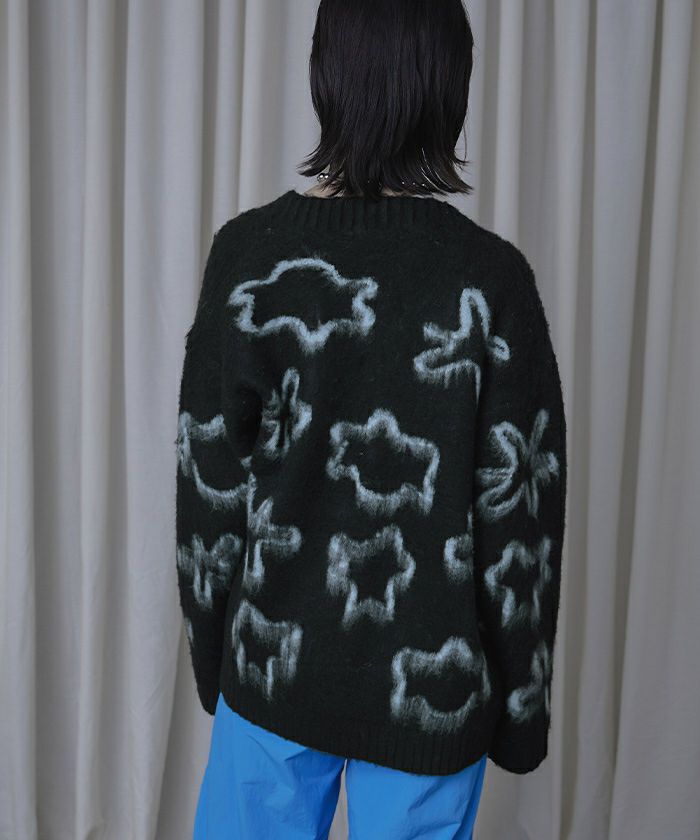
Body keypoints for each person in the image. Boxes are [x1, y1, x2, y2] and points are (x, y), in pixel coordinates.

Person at [175, 0, 568, 837]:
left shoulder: (249, 256)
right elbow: (522, 517)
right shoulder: (489, 280)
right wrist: (521, 714)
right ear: (449, 87)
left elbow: (208, 481)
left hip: (273, 666)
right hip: (433, 689)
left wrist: (217, 656)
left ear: (326, 75)